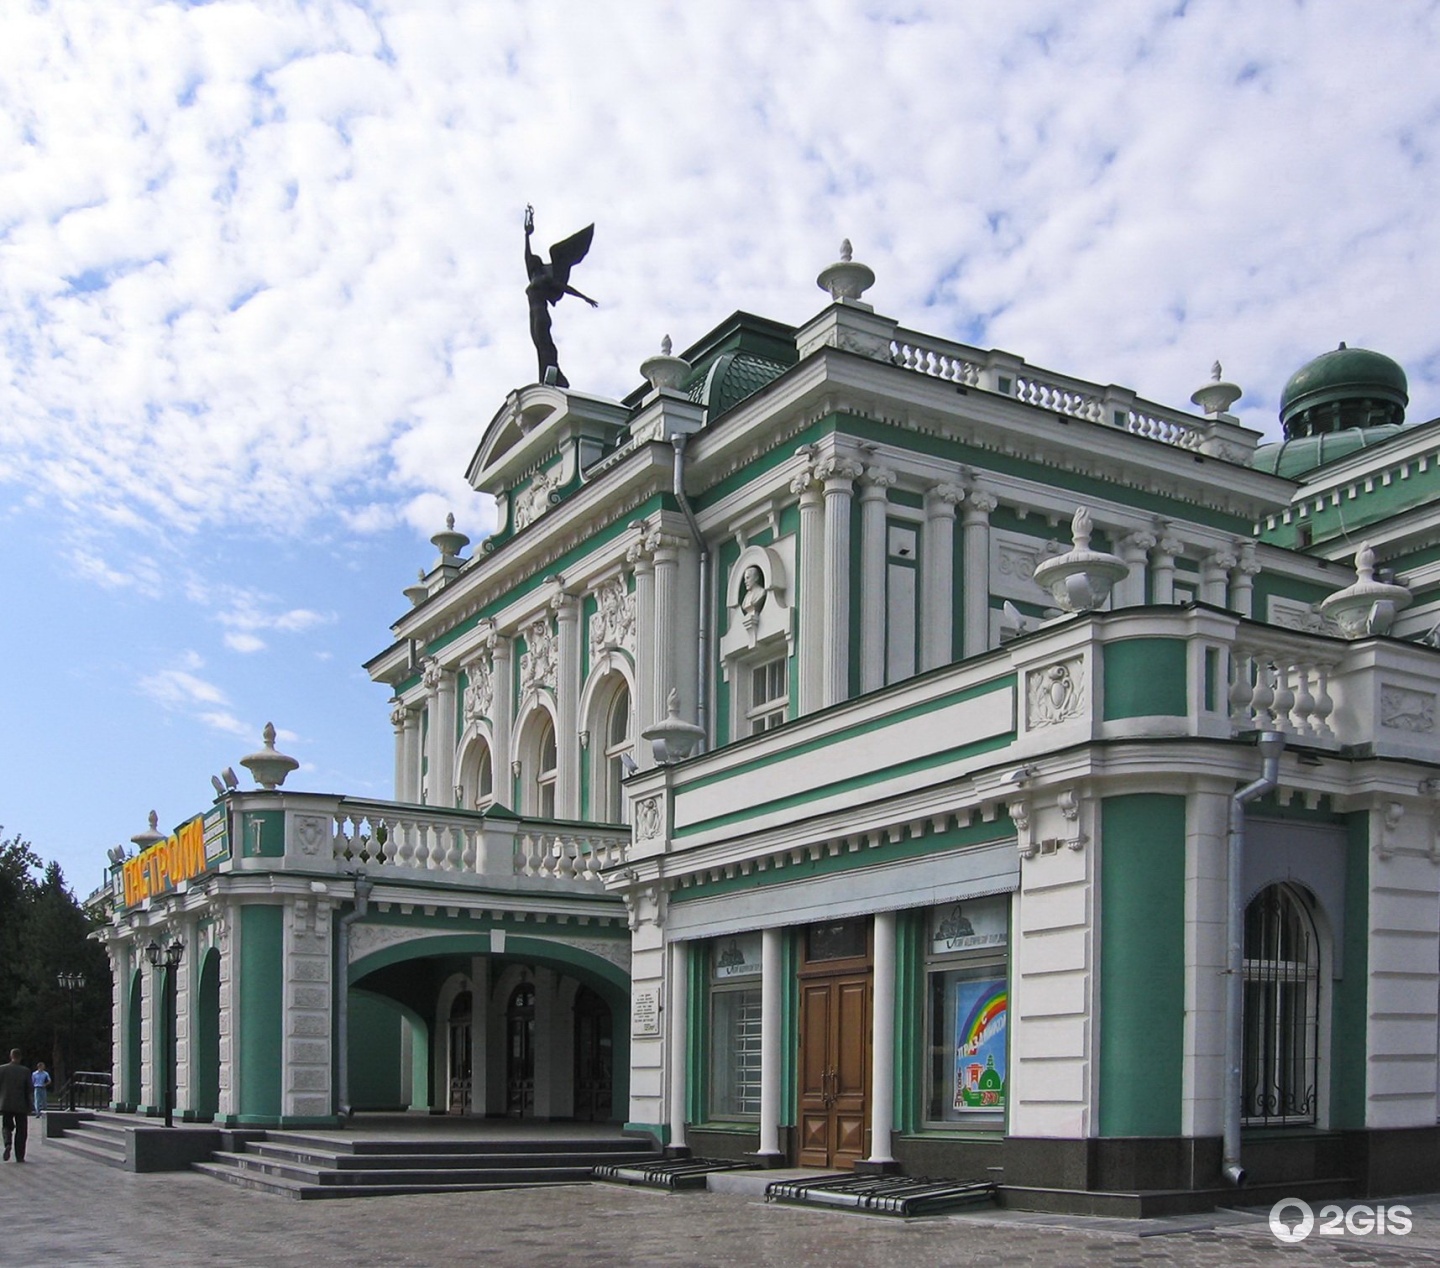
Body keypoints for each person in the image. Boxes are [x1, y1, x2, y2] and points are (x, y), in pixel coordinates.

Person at [523, 205, 598, 389]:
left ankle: (554, 375)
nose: (530, 260)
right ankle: (547, 377)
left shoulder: (545, 279)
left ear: (538, 263)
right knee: (539, 346)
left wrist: (585, 298)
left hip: (541, 314)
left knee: (545, 343)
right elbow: (526, 255)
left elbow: (565, 287)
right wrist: (527, 235)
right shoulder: (533, 276)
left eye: (533, 260)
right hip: (532, 316)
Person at [0, 1049, 33, 1162]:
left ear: (11, 1056)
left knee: (6, 1125)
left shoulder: (2, 1069)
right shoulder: (25, 1071)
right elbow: (29, 1089)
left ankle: (7, 1143)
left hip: (6, 1103)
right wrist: (30, 1106)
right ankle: (20, 1155)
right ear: (20, 1057)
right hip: (21, 1104)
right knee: (22, 1130)